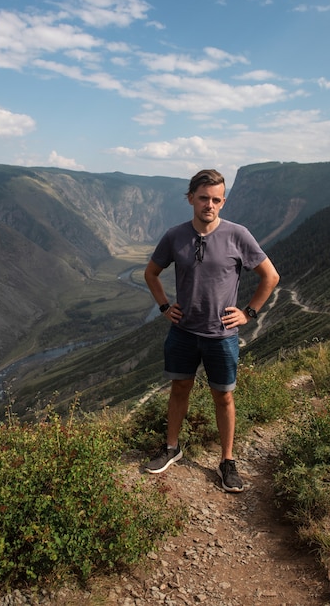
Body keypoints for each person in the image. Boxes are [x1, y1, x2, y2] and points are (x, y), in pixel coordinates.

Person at [143, 169, 280, 493]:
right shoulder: (175, 236)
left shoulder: (237, 235)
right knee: (179, 388)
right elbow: (151, 273)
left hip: (221, 335)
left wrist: (248, 313)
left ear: (223, 201)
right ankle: (172, 448)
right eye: (203, 198)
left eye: (216, 199)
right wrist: (165, 307)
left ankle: (227, 461)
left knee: (224, 396)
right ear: (190, 198)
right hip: (184, 332)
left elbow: (270, 276)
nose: (210, 204)